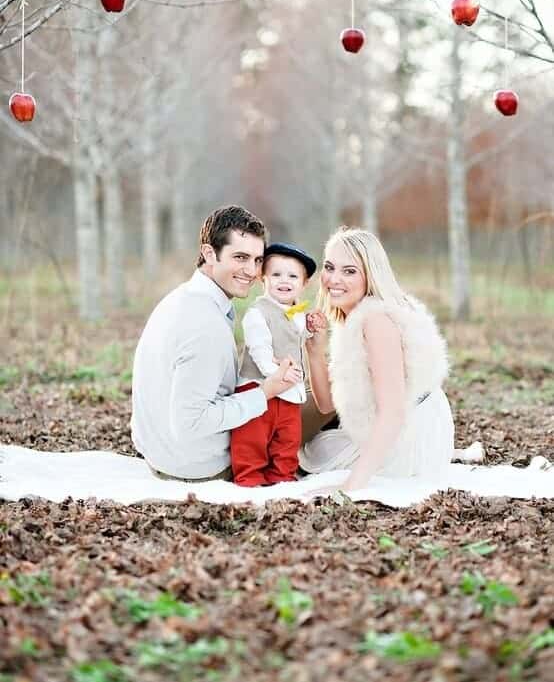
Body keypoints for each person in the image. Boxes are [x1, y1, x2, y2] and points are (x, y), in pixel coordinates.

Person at [131, 205, 302, 482]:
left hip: (160, 451)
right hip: (197, 465)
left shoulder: (181, 298)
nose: (251, 271)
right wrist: (265, 393)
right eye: (240, 257)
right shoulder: (204, 325)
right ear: (210, 253)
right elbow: (190, 423)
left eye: (258, 260)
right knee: (309, 403)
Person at [300, 227, 455, 492]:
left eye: (349, 271)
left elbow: (393, 412)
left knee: (314, 459)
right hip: (388, 420)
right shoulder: (349, 317)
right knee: (308, 449)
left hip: (411, 433)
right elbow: (327, 404)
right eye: (329, 267)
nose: (334, 279)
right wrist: (315, 352)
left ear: (370, 276)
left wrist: (352, 486)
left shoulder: (376, 321)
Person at [231, 243, 317, 486]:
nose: (284, 281)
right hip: (260, 387)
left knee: (288, 439)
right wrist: (275, 374)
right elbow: (260, 350)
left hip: (290, 390)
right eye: (276, 274)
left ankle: (281, 477)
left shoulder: (297, 313)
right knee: (252, 437)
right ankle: (249, 478)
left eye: (292, 276)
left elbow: (296, 339)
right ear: (263, 279)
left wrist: (311, 330)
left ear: (304, 283)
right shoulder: (258, 313)